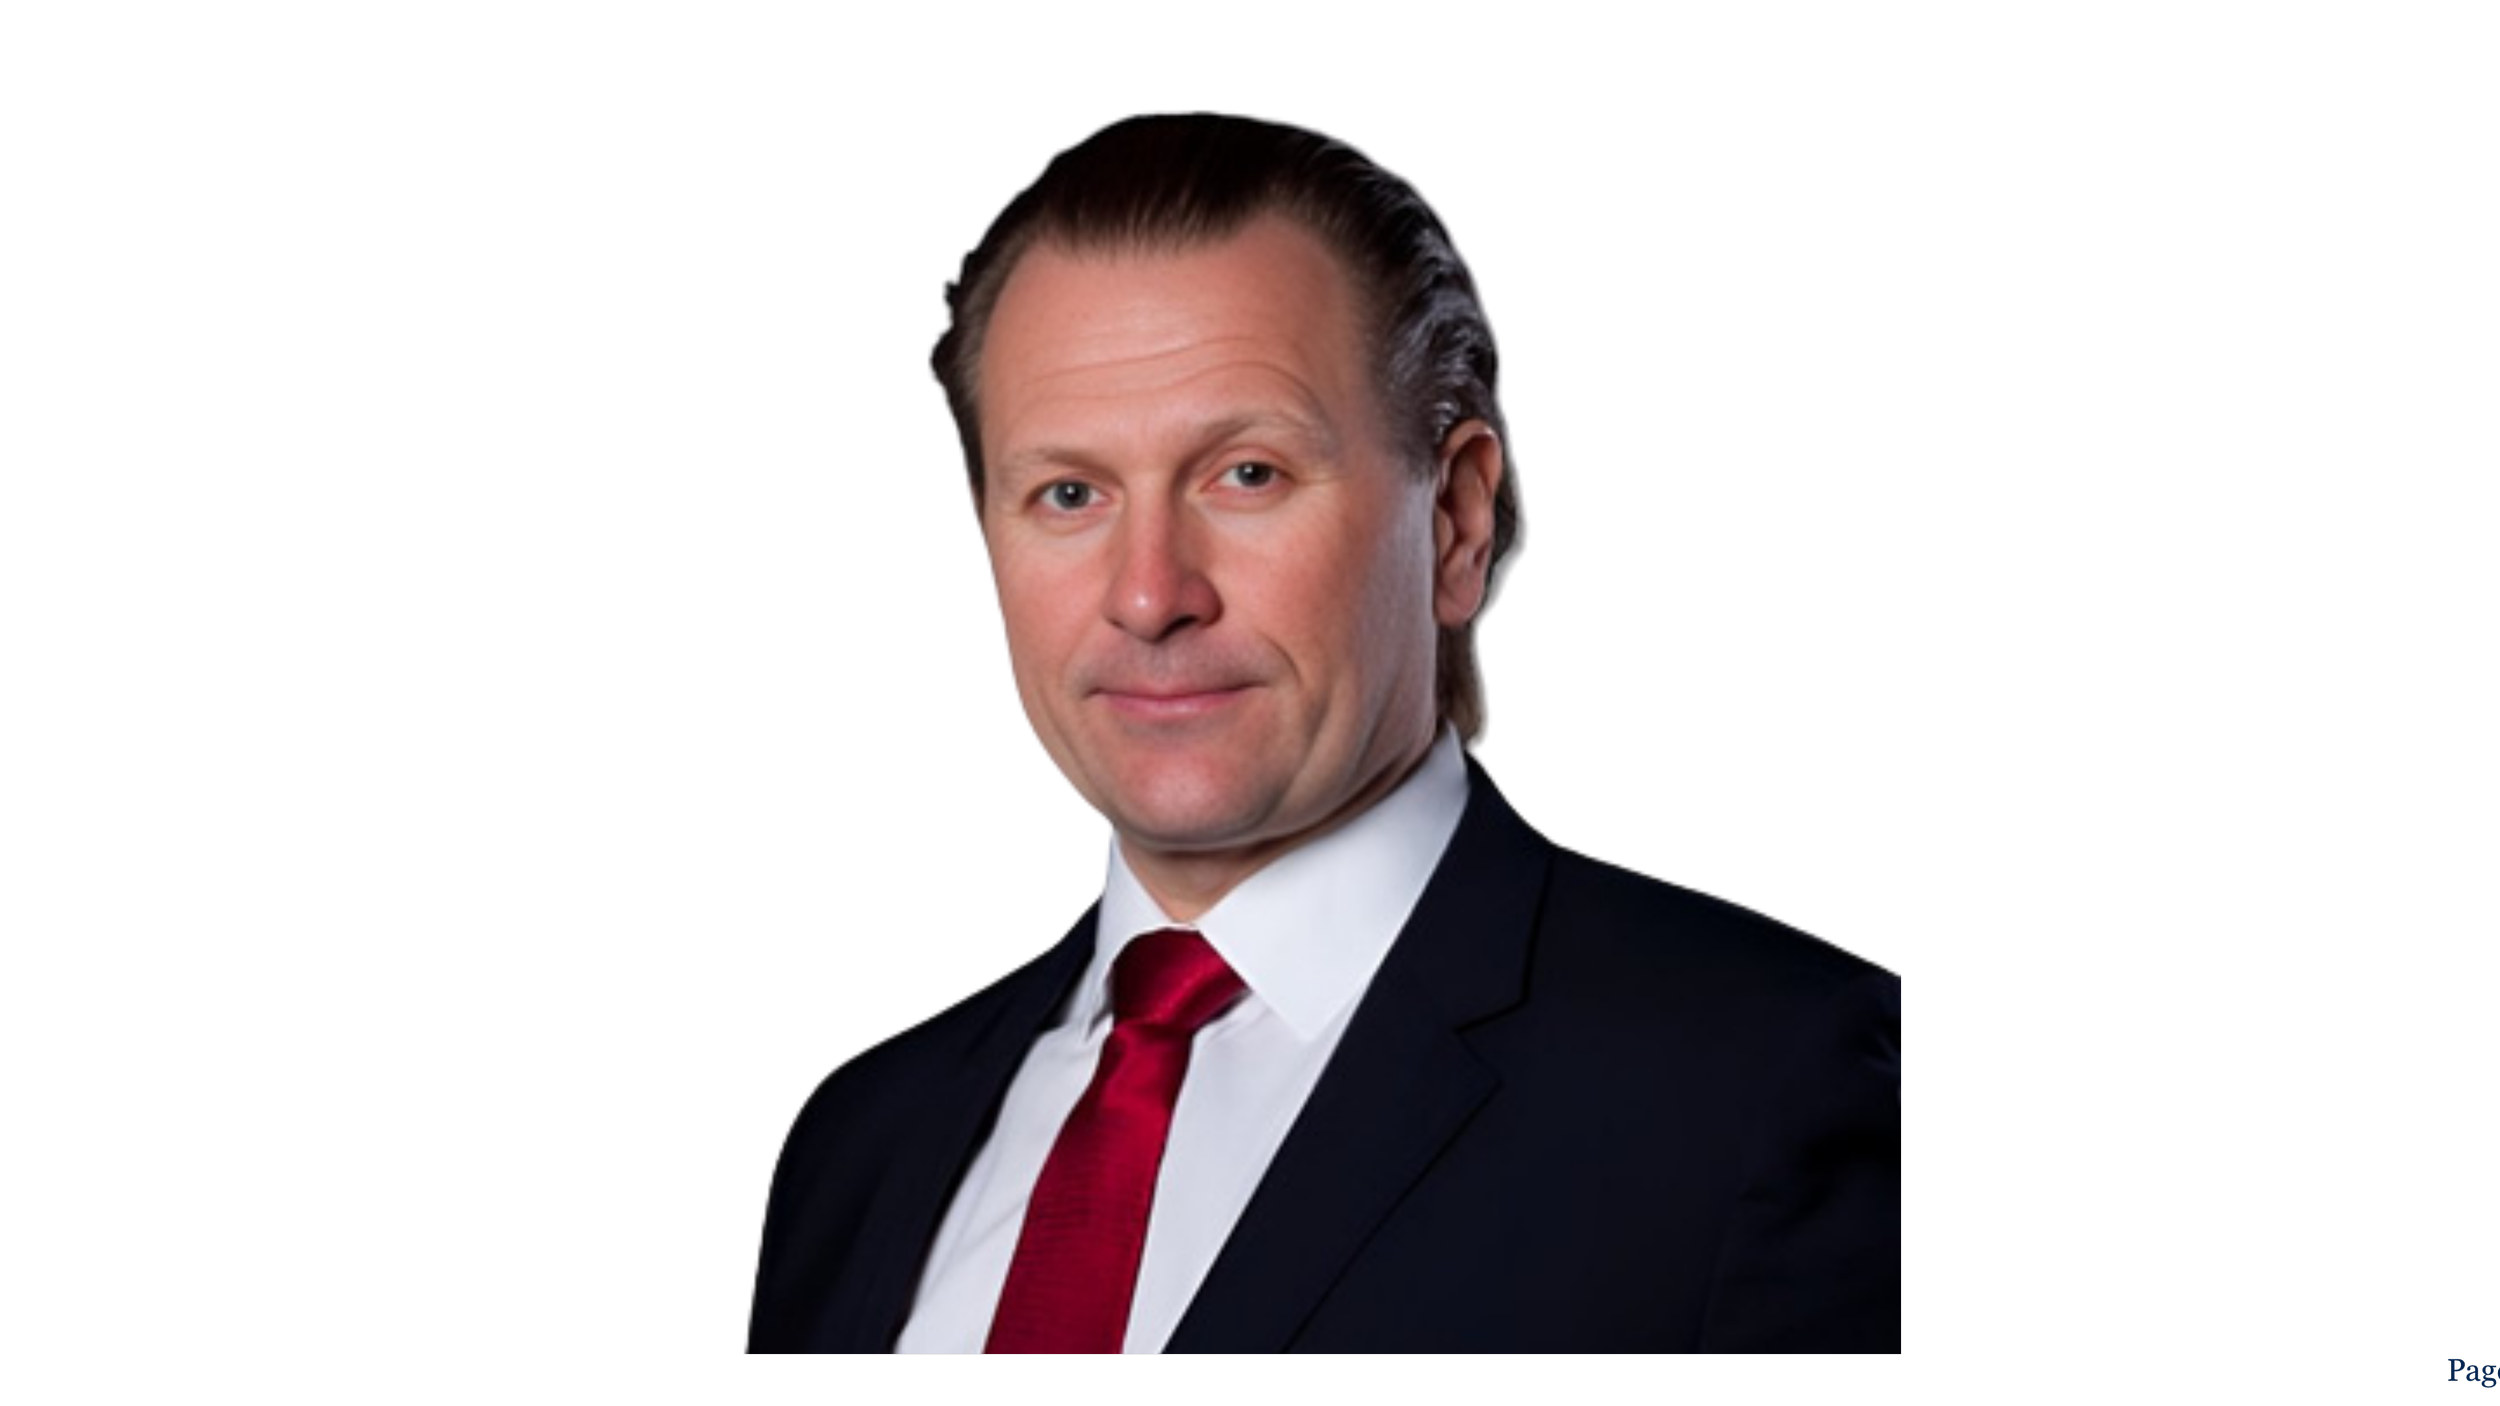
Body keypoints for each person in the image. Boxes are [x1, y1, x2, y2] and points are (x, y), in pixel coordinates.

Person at [748, 110, 1900, 1355]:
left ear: (1455, 520)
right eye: (1069, 493)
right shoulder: (860, 1144)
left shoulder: (1759, 1088)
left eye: (1246, 473)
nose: (1149, 593)